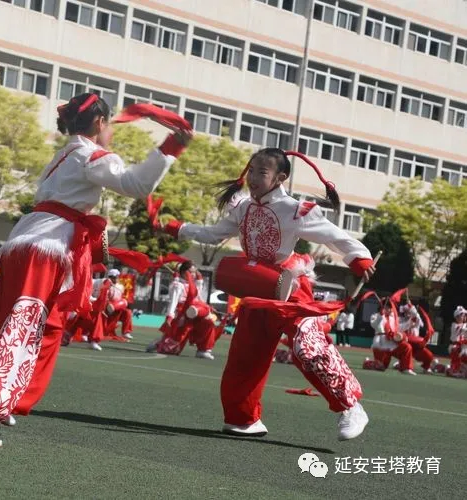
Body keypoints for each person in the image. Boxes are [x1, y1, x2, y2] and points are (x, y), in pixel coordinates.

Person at [0, 93, 192, 446]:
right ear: (99, 123)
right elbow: (137, 186)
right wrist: (171, 146)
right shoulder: (90, 155)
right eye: (110, 127)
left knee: (44, 327)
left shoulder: (63, 155)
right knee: (27, 327)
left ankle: (5, 398)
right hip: (47, 248)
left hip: (32, 241)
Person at [157, 148, 375, 441]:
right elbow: (214, 233)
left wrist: (358, 257)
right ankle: (243, 419)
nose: (253, 178)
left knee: (307, 347)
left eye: (262, 172)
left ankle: (350, 407)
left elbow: (333, 235)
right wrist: (178, 228)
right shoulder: (243, 207)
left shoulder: (294, 210)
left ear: (280, 177)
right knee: (244, 358)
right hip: (257, 290)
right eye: (251, 170)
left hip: (291, 287)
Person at [147, 261, 217, 360]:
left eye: (194, 272)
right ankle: (159, 344)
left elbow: (199, 298)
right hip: (183, 314)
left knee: (208, 323)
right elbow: (173, 302)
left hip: (195, 312)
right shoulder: (178, 285)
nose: (193, 274)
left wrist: (207, 307)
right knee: (172, 350)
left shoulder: (194, 285)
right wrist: (170, 317)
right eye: (190, 272)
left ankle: (203, 350)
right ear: (183, 272)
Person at [365, 300, 416, 375]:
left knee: (407, 347)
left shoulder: (393, 318)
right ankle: (367, 363)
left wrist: (410, 323)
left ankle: (406, 368)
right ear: (382, 308)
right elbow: (374, 325)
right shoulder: (375, 316)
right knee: (381, 367)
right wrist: (381, 316)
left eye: (390, 308)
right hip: (381, 342)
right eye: (387, 307)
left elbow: (399, 327)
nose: (389, 309)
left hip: (392, 342)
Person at [103, 269, 134, 341]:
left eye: (117, 277)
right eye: (114, 277)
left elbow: (122, 297)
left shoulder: (121, 287)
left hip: (117, 308)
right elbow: (104, 298)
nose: (116, 278)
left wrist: (122, 303)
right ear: (110, 277)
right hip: (107, 308)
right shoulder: (106, 285)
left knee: (128, 312)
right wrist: (109, 304)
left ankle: (126, 332)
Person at [448, 306, 467, 378]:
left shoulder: (464, 325)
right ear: (457, 317)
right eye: (462, 315)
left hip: (462, 347)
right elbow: (461, 329)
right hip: (455, 346)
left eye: (464, 315)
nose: (464, 316)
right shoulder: (454, 325)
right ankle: (454, 370)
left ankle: (460, 369)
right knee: (456, 351)